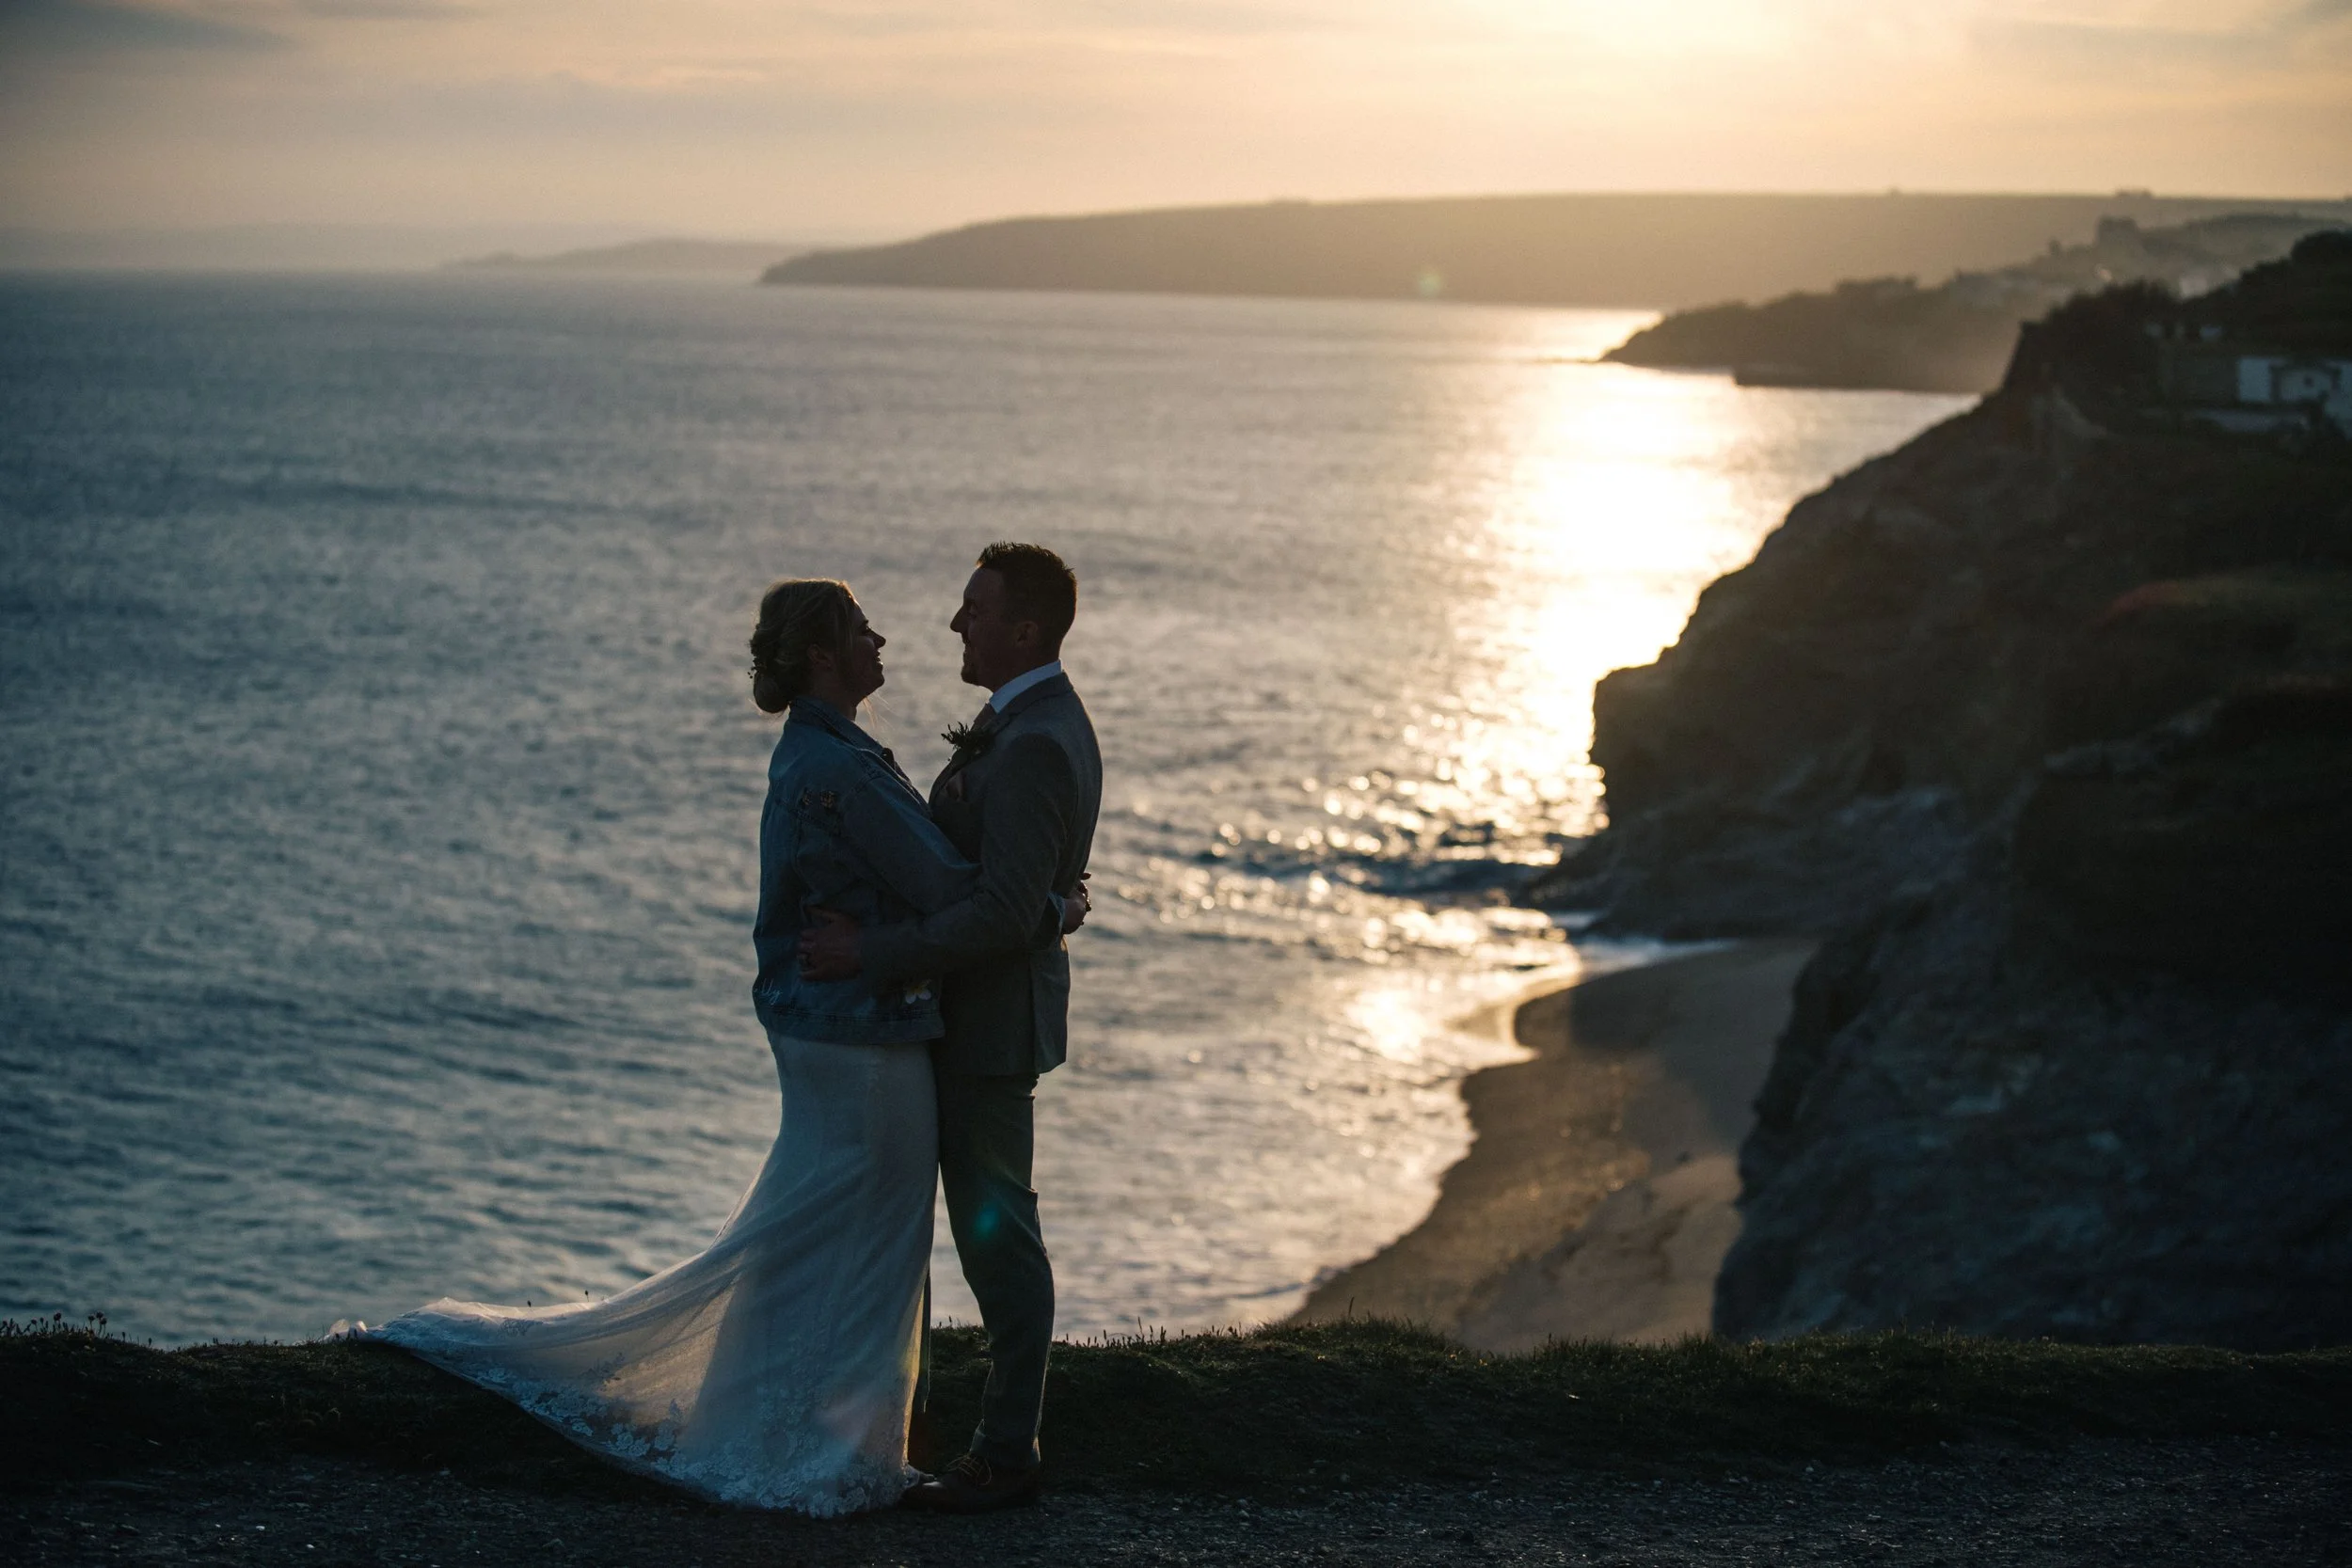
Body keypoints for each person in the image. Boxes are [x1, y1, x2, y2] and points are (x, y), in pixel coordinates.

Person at [352, 578, 1081, 1516]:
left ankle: (787, 1423)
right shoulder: (842, 768)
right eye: (860, 629)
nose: (883, 636)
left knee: (812, 1229)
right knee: (863, 1238)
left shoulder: (822, 751)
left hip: (831, 1032)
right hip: (860, 1041)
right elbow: (948, 886)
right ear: (822, 656)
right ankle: (816, 1446)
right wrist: (1051, 904)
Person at [799, 541, 1102, 1513]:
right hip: (959, 1022)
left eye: (972, 609)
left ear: (1023, 629)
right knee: (917, 1230)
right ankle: (913, 1425)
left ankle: (1007, 1450)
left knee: (998, 1238)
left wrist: (870, 952)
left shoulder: (1040, 739)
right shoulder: (1021, 722)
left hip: (986, 1033)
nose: (952, 623)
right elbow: (1023, 898)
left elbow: (1005, 912)